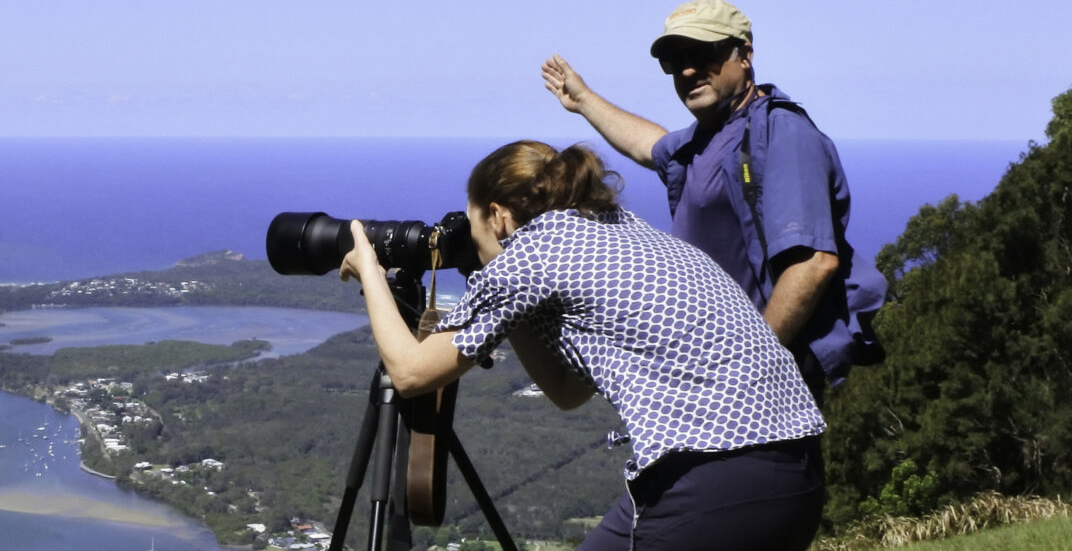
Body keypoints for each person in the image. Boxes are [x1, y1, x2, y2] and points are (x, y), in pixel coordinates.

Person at [338, 141, 825, 550]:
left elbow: (409, 372)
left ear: (500, 217)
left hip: (706, 483)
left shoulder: (533, 253)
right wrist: (508, 308)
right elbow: (568, 392)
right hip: (797, 478)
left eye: (476, 230)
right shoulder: (624, 229)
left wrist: (370, 269)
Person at [540, 0, 882, 399]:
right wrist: (583, 100)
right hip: (711, 377)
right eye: (674, 59)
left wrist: (749, 370)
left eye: (702, 53)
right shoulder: (705, 139)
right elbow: (649, 145)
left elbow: (813, 264)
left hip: (759, 385)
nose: (687, 70)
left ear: (745, 54)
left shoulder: (782, 133)